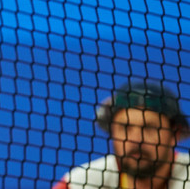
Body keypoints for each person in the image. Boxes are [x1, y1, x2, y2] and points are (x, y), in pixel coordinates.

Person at [53, 81, 190, 189]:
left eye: (149, 128)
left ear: (175, 135)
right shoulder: (81, 183)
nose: (136, 139)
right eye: (125, 127)